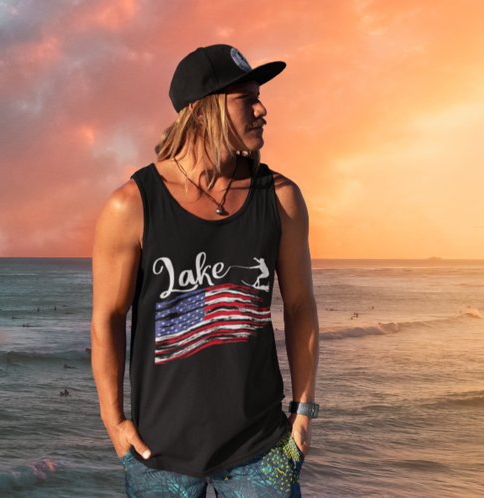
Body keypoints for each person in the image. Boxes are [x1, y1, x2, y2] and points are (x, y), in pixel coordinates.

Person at [91, 44, 319, 497]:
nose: (262, 109)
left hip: (262, 450)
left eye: (260, 95)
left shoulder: (280, 198)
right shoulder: (131, 206)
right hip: (160, 456)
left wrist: (305, 412)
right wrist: (114, 421)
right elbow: (107, 319)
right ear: (200, 112)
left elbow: (299, 306)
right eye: (245, 98)